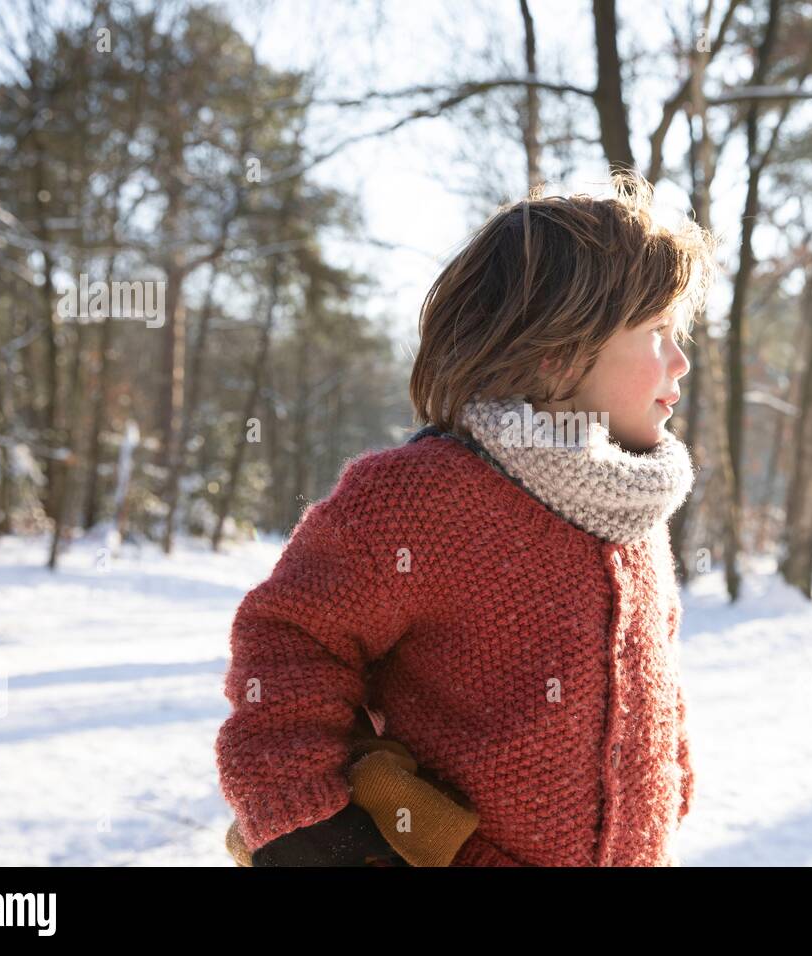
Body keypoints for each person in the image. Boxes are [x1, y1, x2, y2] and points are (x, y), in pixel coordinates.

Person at [215, 169, 716, 866]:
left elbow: (649, 675)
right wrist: (312, 830)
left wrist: (672, 778)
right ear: (560, 350)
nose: (681, 361)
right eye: (658, 331)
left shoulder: (632, 510)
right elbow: (293, 638)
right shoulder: (423, 495)